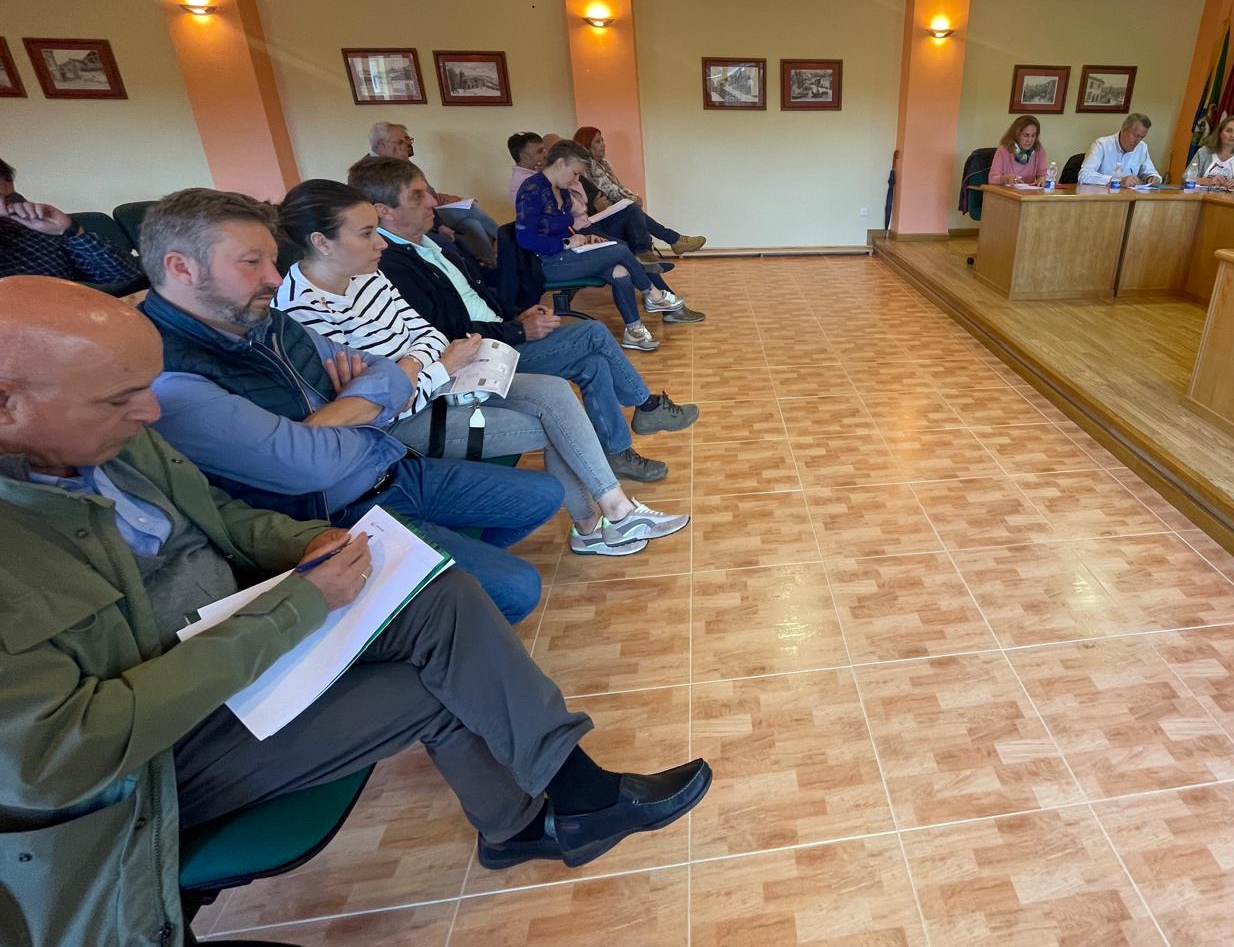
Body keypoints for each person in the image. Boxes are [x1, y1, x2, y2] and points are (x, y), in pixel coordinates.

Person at [0, 277, 711, 947]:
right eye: (119, 399)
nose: (150, 411)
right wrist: (291, 612)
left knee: (435, 589)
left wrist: (303, 540)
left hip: (233, 643)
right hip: (156, 757)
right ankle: (529, 819)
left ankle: (571, 790)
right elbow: (62, 757)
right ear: (8, 404)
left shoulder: (109, 439)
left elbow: (217, 513)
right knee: (429, 682)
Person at [133, 188, 558, 624]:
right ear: (181, 268)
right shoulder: (170, 376)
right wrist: (370, 407)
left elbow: (384, 370)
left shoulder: (263, 319)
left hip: (393, 469)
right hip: (335, 514)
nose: (275, 278)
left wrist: (363, 396)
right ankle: (434, 602)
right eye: (250, 262)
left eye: (272, 260)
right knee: (516, 587)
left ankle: (438, 576)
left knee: (544, 494)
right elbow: (311, 468)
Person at [274, 181, 688, 557]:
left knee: (556, 391)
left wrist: (414, 365)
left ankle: (612, 513)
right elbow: (373, 408)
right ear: (321, 243)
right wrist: (431, 367)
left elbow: (429, 336)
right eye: (366, 234)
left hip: (442, 382)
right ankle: (598, 523)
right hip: (402, 423)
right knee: (558, 423)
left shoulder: (366, 275)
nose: (379, 243)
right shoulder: (303, 313)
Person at [349, 155, 694, 483]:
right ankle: (646, 405)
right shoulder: (392, 264)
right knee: (593, 333)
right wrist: (519, 329)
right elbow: (445, 332)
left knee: (594, 363)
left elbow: (479, 295)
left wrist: (518, 314)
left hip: (499, 332)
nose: (431, 202)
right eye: (418, 195)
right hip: (476, 357)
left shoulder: (432, 244)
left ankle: (617, 452)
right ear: (384, 211)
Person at [516, 140, 687, 352]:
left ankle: (634, 331)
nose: (575, 180)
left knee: (620, 271)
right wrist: (568, 242)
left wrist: (586, 239)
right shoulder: (531, 189)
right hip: (547, 263)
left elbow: (564, 228)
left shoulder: (561, 190)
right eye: (575, 173)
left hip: (568, 255)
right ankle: (653, 294)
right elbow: (526, 239)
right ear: (560, 163)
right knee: (620, 249)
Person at [368, 121, 499, 266]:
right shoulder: (370, 172)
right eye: (400, 142)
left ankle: (493, 264)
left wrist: (446, 201)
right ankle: (505, 240)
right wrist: (439, 225)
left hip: (430, 216)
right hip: (404, 227)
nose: (406, 146)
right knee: (472, 210)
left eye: (407, 141)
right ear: (381, 146)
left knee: (473, 224)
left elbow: (429, 194)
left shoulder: (404, 165)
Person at [0, 156, 142, 288]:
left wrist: (71, 230)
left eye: (7, 199)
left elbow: (127, 277)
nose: (4, 209)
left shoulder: (31, 230)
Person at [574, 125, 707, 257]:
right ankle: (673, 240)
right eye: (598, 141)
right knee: (633, 209)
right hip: (598, 221)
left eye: (603, 140)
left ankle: (672, 242)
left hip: (612, 212)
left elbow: (618, 187)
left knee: (634, 212)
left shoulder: (604, 164)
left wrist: (633, 196)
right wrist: (632, 199)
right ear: (586, 145)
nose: (603, 144)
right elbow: (609, 191)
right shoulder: (585, 168)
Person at [1080, 113, 1162, 187]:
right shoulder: (1101, 145)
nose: (1138, 141)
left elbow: (1151, 172)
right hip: (1100, 199)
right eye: (1136, 135)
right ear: (1123, 129)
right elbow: (1084, 175)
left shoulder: (1142, 147)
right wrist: (1117, 181)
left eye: (1142, 137)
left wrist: (1152, 178)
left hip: (1128, 198)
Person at [1188, 115, 1234, 190]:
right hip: (1201, 196)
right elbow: (1186, 177)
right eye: (1229, 130)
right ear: (1220, 132)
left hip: (1231, 199)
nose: (1233, 135)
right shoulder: (1205, 151)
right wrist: (1209, 181)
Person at [986, 116, 1048, 187]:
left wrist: (1043, 178)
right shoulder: (1003, 150)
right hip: (1006, 194)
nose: (1029, 140)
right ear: (1017, 135)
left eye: (1033, 136)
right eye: (1026, 135)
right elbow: (992, 179)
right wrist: (1005, 178)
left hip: (1027, 195)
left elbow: (1044, 175)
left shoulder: (1039, 151)